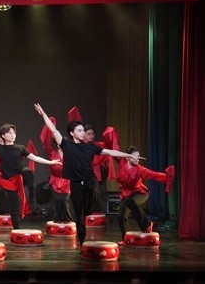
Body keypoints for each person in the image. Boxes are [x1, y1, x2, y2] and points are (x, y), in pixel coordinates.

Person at [35, 103, 138, 245]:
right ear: (72, 133)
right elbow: (53, 129)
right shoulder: (67, 145)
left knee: (93, 192)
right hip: (75, 183)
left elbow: (110, 152)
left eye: (84, 130)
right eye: (80, 130)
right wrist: (43, 114)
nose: (83, 133)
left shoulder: (90, 147)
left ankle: (89, 210)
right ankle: (82, 242)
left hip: (90, 180)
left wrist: (128, 155)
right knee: (79, 215)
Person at [0, 115, 61, 229]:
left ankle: (32, 198)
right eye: (9, 133)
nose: (13, 134)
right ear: (3, 135)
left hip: (20, 177)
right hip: (9, 182)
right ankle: (16, 229)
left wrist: (50, 162)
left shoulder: (20, 148)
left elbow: (34, 157)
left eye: (14, 132)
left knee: (27, 170)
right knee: (15, 207)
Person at [115, 146, 175, 236]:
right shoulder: (122, 162)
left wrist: (167, 177)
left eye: (138, 157)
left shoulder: (140, 169)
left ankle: (147, 224)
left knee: (130, 201)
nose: (137, 159)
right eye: (134, 157)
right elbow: (113, 150)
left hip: (140, 192)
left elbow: (154, 175)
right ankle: (126, 238)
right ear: (127, 157)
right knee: (121, 216)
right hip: (126, 194)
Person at [40, 116, 75, 223]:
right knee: (57, 201)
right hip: (55, 180)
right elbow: (46, 142)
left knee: (65, 200)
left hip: (67, 181)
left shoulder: (71, 155)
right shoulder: (52, 153)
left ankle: (68, 221)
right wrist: (49, 126)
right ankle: (57, 221)